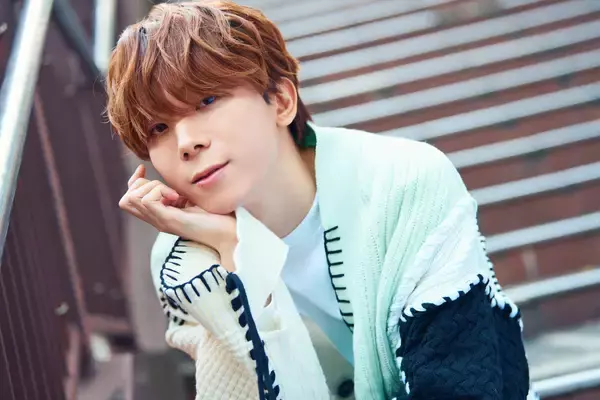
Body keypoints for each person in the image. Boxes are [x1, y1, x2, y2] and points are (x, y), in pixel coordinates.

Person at [107, 1, 533, 399]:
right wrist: (238, 255)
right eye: (158, 128)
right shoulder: (183, 262)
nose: (186, 142)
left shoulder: (402, 184)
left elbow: (461, 382)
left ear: (281, 101)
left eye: (207, 100)